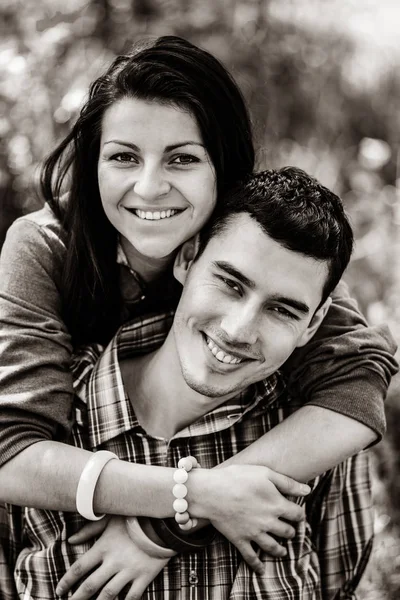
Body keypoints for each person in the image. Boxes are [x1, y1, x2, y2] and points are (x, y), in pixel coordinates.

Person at [0, 35, 396, 595]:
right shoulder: (45, 248)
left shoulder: (257, 245)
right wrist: (197, 495)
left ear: (224, 169)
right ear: (93, 164)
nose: (149, 186)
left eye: (182, 158)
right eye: (123, 156)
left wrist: (160, 530)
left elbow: (356, 387)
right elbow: (12, 453)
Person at [12, 168, 374, 600]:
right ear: (186, 259)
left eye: (282, 311)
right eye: (230, 283)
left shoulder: (318, 436)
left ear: (313, 324)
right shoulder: (44, 426)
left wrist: (160, 530)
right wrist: (196, 498)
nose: (239, 330)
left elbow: (342, 589)